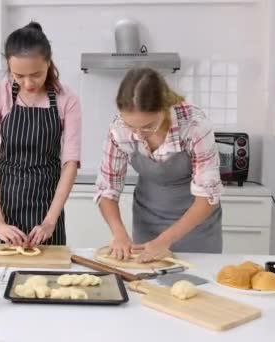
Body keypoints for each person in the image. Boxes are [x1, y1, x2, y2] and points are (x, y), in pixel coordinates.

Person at [0, 22, 82, 247]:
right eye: (19, 75)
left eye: (36, 74)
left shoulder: (66, 99)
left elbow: (70, 164)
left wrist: (50, 222)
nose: (28, 83)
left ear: (49, 63)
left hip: (45, 211)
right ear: (8, 66)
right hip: (0, 205)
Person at [95, 67, 223, 262]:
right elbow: (107, 190)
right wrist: (119, 233)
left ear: (164, 108)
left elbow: (207, 197)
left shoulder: (194, 126)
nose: (138, 135)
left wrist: (165, 240)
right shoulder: (119, 129)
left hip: (196, 227)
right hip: (146, 223)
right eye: (132, 127)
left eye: (148, 126)